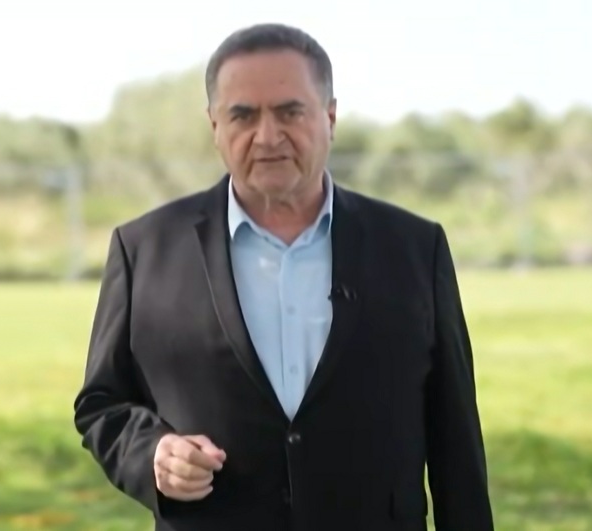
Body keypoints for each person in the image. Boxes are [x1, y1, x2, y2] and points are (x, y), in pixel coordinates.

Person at [73, 22, 493, 531]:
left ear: (330, 117)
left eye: (290, 112)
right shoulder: (144, 250)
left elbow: (455, 436)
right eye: (243, 115)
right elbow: (102, 404)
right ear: (214, 126)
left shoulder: (414, 248)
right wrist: (153, 454)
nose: (268, 136)